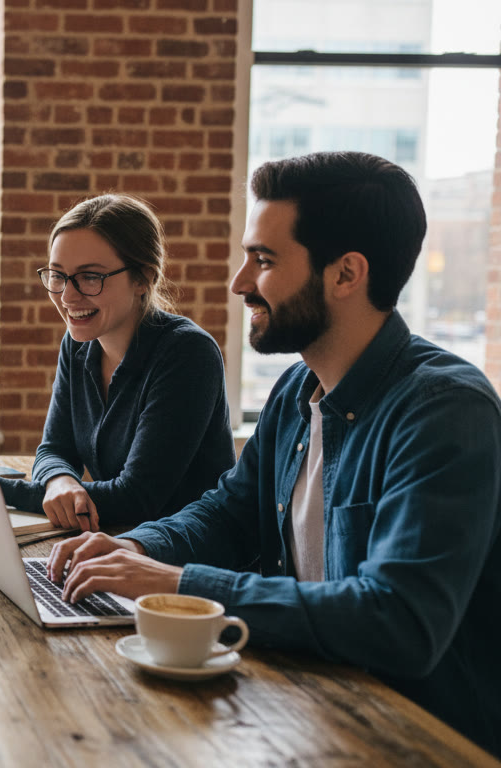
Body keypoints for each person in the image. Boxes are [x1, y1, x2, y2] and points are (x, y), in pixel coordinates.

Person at [49, 152, 501, 756]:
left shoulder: (444, 408)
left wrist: (176, 582)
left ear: (345, 274)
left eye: (262, 260)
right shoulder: (297, 389)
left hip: (411, 738)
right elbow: (228, 513)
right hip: (303, 706)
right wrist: (134, 548)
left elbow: (398, 621)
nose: (238, 282)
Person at [0, 194, 234, 532]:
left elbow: (136, 498)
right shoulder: (79, 344)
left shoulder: (187, 353)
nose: (68, 297)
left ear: (142, 278)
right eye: (58, 275)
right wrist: (58, 480)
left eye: (90, 277)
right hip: (118, 544)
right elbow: (54, 448)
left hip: (186, 563)